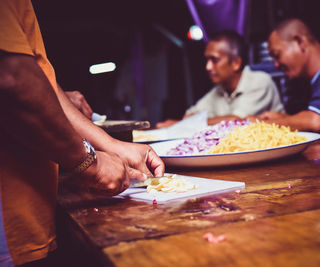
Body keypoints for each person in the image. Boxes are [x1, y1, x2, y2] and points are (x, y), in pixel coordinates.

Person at [0, 1, 164, 266]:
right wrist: (92, 164)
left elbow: (44, 83)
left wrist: (113, 146)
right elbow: (13, 79)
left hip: (29, 213)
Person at [156, 30, 285, 128]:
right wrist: (186, 122)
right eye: (207, 60)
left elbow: (236, 121)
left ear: (236, 63)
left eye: (214, 60)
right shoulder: (219, 90)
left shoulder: (260, 81)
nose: (208, 67)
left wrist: (183, 124)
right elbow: (188, 116)